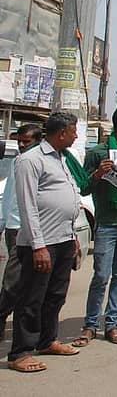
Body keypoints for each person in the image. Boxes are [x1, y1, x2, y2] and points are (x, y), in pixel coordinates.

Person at [7, 113, 83, 373]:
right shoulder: (30, 160)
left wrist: (72, 236)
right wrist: (39, 245)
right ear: (61, 132)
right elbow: (27, 207)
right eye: (73, 131)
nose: (75, 136)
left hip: (62, 239)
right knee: (31, 298)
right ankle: (20, 352)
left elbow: (68, 198)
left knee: (55, 296)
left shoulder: (61, 159)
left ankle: (47, 340)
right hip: (39, 243)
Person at [73, 106, 117, 347]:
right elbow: (83, 187)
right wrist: (97, 174)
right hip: (107, 222)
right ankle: (91, 324)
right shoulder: (98, 153)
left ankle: (112, 324)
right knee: (102, 275)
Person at [0, 124, 43, 343]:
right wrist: (3, 223)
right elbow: (9, 196)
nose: (22, 145)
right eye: (20, 141)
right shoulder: (20, 162)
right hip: (16, 228)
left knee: (34, 285)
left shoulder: (41, 161)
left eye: (26, 141)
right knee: (13, 282)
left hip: (38, 230)